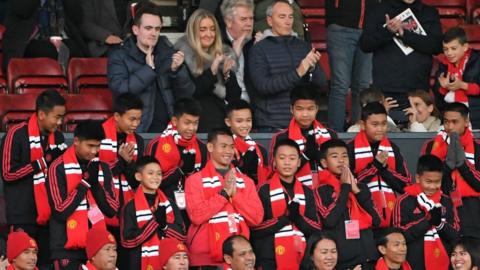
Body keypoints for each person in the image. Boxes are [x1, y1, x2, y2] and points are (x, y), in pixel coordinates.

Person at [0, 89, 66, 269]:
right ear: (42, 114)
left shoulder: (58, 137)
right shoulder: (16, 134)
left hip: (49, 217)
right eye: (57, 117)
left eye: (62, 117)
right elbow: (8, 174)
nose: (60, 123)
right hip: (23, 216)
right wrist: (43, 162)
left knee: (45, 265)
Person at [108, 2, 195, 133]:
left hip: (169, 130)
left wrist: (177, 71)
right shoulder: (119, 56)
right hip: (138, 130)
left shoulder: (168, 53)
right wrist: (148, 70)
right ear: (135, 30)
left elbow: (187, 94)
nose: (153, 33)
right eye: (148, 28)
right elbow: (121, 92)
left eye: (157, 29)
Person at [185, 128, 263, 268]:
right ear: (210, 147)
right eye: (224, 146)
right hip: (205, 260)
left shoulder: (246, 181)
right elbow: (196, 216)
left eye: (232, 147)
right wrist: (224, 195)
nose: (228, 151)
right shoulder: (194, 180)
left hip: (239, 260)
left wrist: (235, 195)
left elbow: (257, 218)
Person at [46, 120, 119, 270]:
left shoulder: (103, 168)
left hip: (97, 248)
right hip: (65, 247)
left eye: (98, 146)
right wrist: (84, 184)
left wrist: (95, 185)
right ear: (76, 141)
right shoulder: (57, 167)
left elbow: (112, 210)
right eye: (90, 146)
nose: (94, 151)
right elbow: (60, 211)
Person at [248, 0, 327, 131]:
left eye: (290, 16)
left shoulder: (303, 46)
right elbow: (263, 86)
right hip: (272, 124)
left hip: (302, 123)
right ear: (269, 20)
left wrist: (312, 68)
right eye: (282, 16)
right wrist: (298, 72)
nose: (288, 21)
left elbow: (322, 83)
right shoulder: (259, 49)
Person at [360, 0, 443, 122]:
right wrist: (387, 31)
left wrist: (404, 34)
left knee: (419, 135)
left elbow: (436, 46)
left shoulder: (429, 12)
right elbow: (365, 45)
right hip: (385, 91)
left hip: (418, 90)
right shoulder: (378, 10)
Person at [252, 139, 321, 269]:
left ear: (299, 162)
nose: (287, 163)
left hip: (302, 258)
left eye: (292, 158)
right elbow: (255, 229)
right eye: (282, 158)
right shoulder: (262, 190)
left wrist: (298, 218)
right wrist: (285, 219)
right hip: (270, 259)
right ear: (274, 162)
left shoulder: (307, 191)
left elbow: (316, 228)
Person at [347, 102, 411, 233]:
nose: (380, 129)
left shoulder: (393, 148)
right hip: (362, 219)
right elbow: (350, 184)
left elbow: (406, 184)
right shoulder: (350, 149)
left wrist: (384, 169)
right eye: (375, 125)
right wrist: (375, 165)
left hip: (392, 218)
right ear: (363, 125)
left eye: (383, 124)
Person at [316, 139, 380, 270]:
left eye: (344, 156)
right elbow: (329, 221)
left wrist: (356, 191)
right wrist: (345, 188)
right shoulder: (322, 190)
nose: (341, 160)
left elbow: (376, 220)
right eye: (334, 156)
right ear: (324, 162)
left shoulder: (361, 188)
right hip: (345, 264)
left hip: (369, 259)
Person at [174, 9, 241, 132]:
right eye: (202, 29)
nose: (209, 34)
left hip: (220, 123)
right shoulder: (183, 54)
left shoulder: (222, 53)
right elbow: (193, 91)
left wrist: (227, 75)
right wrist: (213, 69)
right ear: (193, 32)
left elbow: (234, 96)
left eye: (212, 29)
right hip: (195, 125)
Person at [421, 102, 480, 241]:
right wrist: (447, 166)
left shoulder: (478, 147)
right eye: (446, 122)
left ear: (466, 122)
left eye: (455, 122)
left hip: (472, 212)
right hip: (442, 210)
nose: (450, 127)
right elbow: (425, 183)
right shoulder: (430, 146)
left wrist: (462, 164)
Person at [98, 93, 143, 270]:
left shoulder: (137, 140)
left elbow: (135, 180)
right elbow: (97, 175)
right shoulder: (98, 135)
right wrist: (122, 161)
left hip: (128, 210)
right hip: (102, 208)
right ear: (117, 116)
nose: (136, 124)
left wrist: (128, 164)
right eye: (131, 119)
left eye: (139, 119)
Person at [392, 154, 459, 270]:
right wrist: (428, 221)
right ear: (418, 178)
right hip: (412, 266)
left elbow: (456, 236)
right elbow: (398, 238)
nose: (433, 187)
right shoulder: (403, 201)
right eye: (428, 181)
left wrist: (439, 224)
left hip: (444, 264)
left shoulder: (447, 201)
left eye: (437, 182)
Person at [120, 156, 185, 270]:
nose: (156, 177)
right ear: (138, 176)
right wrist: (153, 223)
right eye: (150, 173)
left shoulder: (169, 203)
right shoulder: (130, 206)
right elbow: (127, 241)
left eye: (159, 174)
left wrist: (165, 226)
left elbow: (183, 235)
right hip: (139, 264)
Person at [270, 87, 336, 188]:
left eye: (310, 109)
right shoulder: (281, 137)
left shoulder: (331, 135)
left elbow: (339, 168)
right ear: (291, 109)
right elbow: (274, 171)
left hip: (327, 191)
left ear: (317, 109)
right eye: (299, 109)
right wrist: (305, 156)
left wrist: (319, 158)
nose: (305, 114)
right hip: (295, 192)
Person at [326, 0, 375, 132]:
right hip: (340, 27)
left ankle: (359, 131)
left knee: (363, 85)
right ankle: (335, 134)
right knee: (340, 85)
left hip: (368, 28)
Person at [145, 98, 208, 199]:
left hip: (193, 204)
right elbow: (148, 182)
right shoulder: (155, 145)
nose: (191, 128)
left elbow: (205, 182)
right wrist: (180, 171)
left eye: (195, 123)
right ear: (175, 121)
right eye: (187, 123)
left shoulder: (202, 147)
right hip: (162, 204)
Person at [2, 0, 87, 70]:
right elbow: (23, 10)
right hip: (30, 39)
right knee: (47, 51)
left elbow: (78, 18)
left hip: (62, 37)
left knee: (74, 52)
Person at [433, 27, 480, 128]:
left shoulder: (478, 60)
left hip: (475, 118)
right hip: (449, 119)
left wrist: (462, 85)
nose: (449, 53)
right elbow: (437, 97)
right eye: (445, 49)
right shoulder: (443, 65)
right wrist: (444, 88)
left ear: (465, 47)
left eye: (453, 48)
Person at [225, 99, 269, 186]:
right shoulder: (223, 148)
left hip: (256, 196)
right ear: (228, 122)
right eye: (239, 121)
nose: (245, 125)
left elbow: (266, 179)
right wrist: (242, 168)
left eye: (248, 120)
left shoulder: (261, 150)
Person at [220, 0, 255, 102]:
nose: (249, 24)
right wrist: (234, 55)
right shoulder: (216, 43)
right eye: (243, 19)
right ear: (229, 21)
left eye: (251, 19)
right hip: (227, 105)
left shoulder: (256, 42)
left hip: (253, 107)